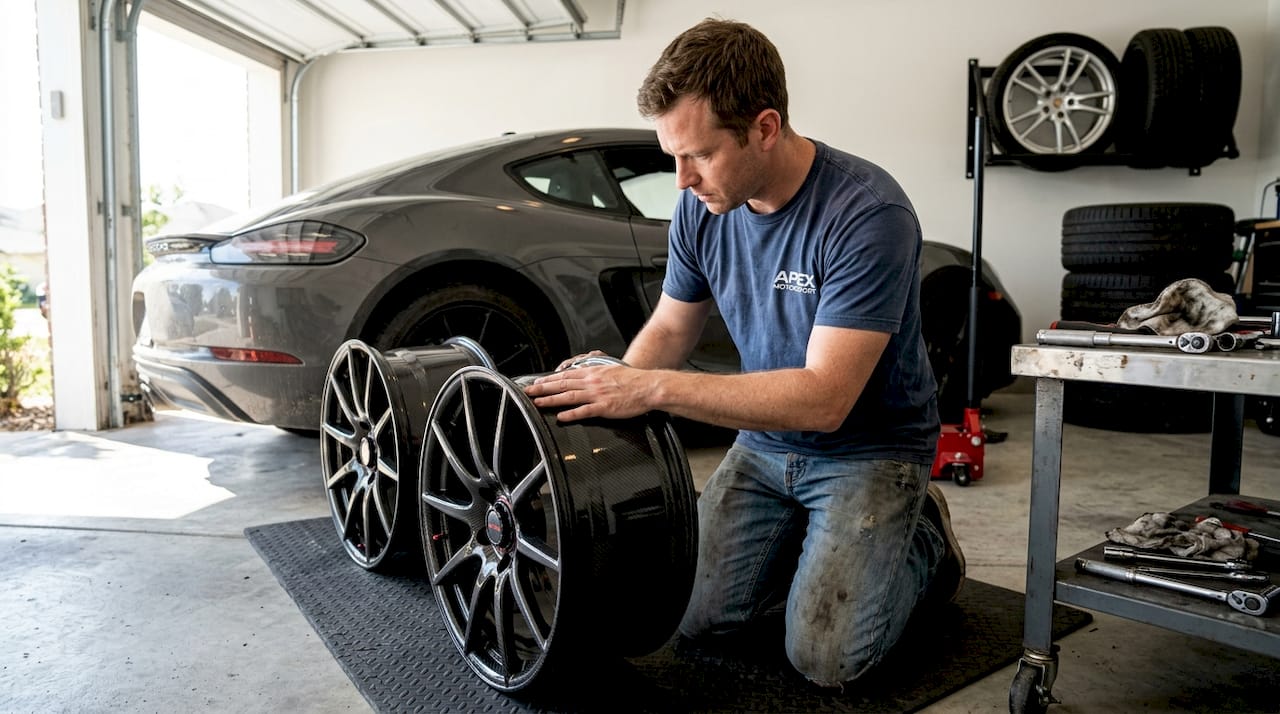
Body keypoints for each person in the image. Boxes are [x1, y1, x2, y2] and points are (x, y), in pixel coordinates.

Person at [523, 17, 963, 687]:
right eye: (673, 155)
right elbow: (671, 330)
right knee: (696, 615)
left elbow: (825, 399)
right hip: (764, 444)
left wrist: (653, 390)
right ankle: (818, 547)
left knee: (827, 659)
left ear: (764, 127)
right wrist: (613, 383)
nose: (680, 179)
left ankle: (923, 539)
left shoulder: (867, 214)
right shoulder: (703, 209)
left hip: (867, 449)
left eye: (698, 154)